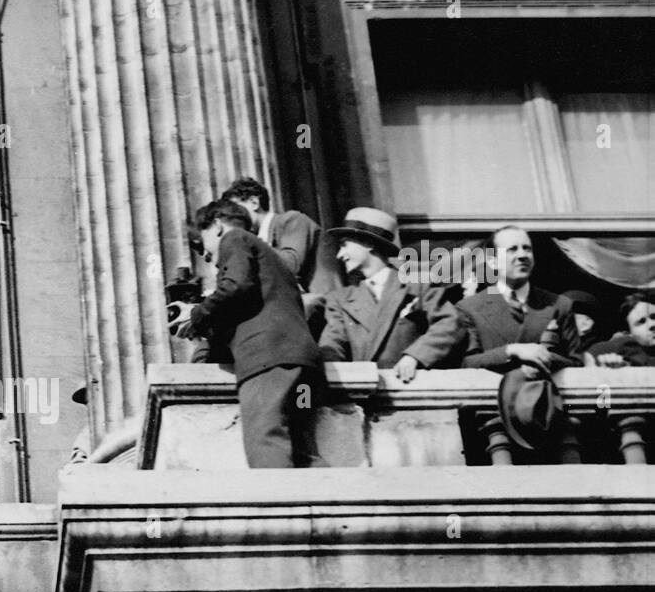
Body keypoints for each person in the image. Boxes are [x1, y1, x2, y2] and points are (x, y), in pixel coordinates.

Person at [171, 199, 324, 469]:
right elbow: (248, 300)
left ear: (217, 226)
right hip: (302, 368)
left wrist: (195, 314)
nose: (205, 256)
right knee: (302, 450)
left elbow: (235, 286)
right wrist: (204, 326)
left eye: (202, 242)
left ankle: (282, 512)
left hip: (269, 363)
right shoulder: (273, 261)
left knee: (266, 442)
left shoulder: (235, 238)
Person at [319, 207, 463, 382]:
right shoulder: (340, 299)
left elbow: (449, 323)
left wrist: (415, 356)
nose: (339, 255)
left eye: (344, 245)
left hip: (413, 388)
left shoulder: (418, 285)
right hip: (367, 393)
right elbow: (332, 344)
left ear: (369, 243)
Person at [457, 226, 582, 372]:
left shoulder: (559, 304)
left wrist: (541, 356)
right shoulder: (470, 308)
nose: (523, 255)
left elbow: (577, 363)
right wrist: (510, 351)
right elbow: (466, 363)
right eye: (512, 249)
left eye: (527, 249)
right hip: (497, 393)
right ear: (493, 261)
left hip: (545, 392)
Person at [223, 177, 335, 338]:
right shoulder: (259, 238)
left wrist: (247, 243)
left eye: (237, 210)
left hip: (326, 313)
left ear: (254, 202)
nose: (235, 219)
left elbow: (291, 264)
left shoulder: (291, 220)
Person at [586, 291, 655, 368]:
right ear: (630, 333)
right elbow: (589, 356)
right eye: (641, 322)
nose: (652, 324)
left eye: (654, 317)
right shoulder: (626, 346)